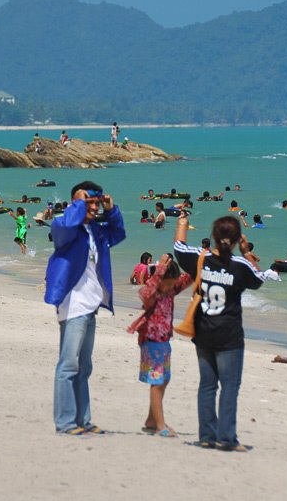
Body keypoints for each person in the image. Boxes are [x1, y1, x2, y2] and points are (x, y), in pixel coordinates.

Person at [174, 214, 264, 451]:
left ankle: (206, 435)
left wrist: (182, 223)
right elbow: (258, 280)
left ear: (214, 237)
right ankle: (226, 438)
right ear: (236, 240)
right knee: (229, 387)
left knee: (207, 385)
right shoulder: (240, 265)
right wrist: (246, 252)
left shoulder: (200, 258)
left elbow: (178, 247)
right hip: (229, 334)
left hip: (203, 331)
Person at [45, 180, 125, 435]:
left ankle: (82, 420)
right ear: (73, 204)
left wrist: (110, 210)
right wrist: (80, 203)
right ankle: (65, 423)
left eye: (94, 201)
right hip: (73, 305)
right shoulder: (64, 228)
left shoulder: (95, 232)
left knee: (84, 367)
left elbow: (119, 233)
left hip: (90, 306)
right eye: (85, 201)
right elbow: (65, 224)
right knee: (68, 365)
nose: (91, 206)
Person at [126, 253, 193, 437]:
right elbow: (145, 292)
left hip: (163, 342)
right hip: (151, 341)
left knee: (164, 379)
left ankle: (151, 419)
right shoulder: (152, 294)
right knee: (156, 382)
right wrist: (160, 269)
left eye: (173, 284)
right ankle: (160, 426)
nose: (171, 287)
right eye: (168, 283)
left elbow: (190, 276)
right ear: (159, 279)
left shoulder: (170, 290)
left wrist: (202, 259)